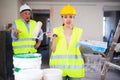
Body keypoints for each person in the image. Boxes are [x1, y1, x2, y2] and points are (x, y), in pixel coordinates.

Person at [46, 4, 85, 80]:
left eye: (71, 17)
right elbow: (53, 49)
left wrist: (83, 43)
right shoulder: (56, 30)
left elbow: (79, 49)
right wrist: (54, 38)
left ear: (74, 18)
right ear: (62, 18)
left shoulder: (79, 31)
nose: (68, 19)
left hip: (75, 68)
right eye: (65, 17)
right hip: (59, 68)